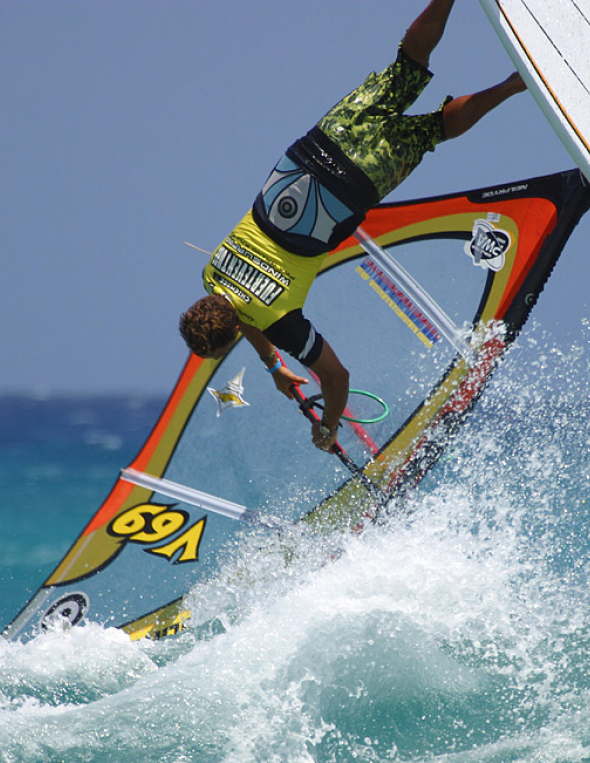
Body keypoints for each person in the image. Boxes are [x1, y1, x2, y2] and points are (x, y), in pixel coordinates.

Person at [179, 0, 526, 451]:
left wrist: (327, 427)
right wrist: (271, 364)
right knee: (407, 66)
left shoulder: (280, 323)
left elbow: (336, 376)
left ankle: (514, 84)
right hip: (314, 148)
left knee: (432, 130)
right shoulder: (211, 275)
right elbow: (239, 312)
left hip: (353, 184)